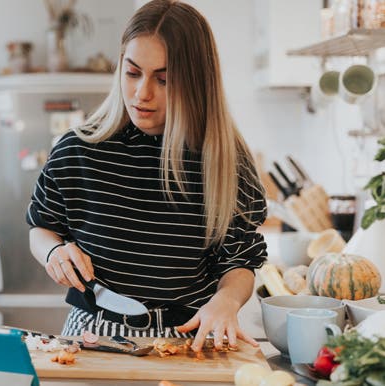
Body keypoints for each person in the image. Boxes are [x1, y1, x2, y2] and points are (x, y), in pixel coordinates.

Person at [26, 0, 267, 353]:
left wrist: (227, 301)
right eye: (133, 72)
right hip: (93, 333)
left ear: (197, 82)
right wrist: (53, 253)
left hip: (189, 337)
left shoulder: (225, 161)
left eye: (164, 79)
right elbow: (42, 227)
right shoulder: (79, 149)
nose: (142, 94)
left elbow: (240, 261)